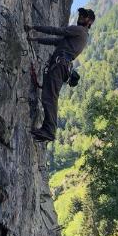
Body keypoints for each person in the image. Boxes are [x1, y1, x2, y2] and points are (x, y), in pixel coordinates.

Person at [30, 7, 96, 142]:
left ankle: (49, 130)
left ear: (89, 21)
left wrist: (34, 27)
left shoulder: (79, 31)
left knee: (50, 97)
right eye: (81, 15)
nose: (81, 17)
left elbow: (56, 31)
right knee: (49, 96)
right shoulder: (81, 35)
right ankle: (47, 129)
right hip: (61, 65)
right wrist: (35, 39)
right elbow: (56, 41)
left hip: (59, 65)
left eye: (84, 16)